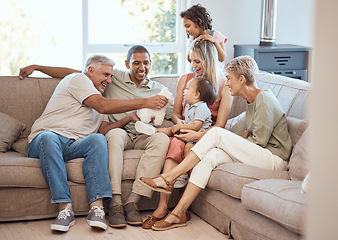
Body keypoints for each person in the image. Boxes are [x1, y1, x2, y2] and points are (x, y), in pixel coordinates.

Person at [19, 45, 172, 229]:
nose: (109, 80)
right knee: (48, 138)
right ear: (90, 71)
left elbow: (102, 131)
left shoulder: (100, 96)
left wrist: (129, 118)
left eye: (111, 76)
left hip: (72, 145)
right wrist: (37, 67)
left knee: (98, 140)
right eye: (106, 75)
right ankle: (65, 208)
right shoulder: (79, 80)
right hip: (45, 141)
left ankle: (97, 207)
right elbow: (101, 104)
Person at [139, 55, 293, 231]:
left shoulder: (265, 99)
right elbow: (234, 134)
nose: (226, 83)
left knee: (216, 133)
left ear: (241, 79)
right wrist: (239, 138)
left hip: (274, 159)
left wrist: (239, 138)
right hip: (258, 154)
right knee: (211, 157)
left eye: (229, 78)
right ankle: (178, 213)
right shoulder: (251, 103)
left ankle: (169, 177)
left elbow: (259, 141)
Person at [138, 40, 233, 229]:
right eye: (192, 61)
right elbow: (175, 114)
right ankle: (163, 207)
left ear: (209, 60)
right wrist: (179, 123)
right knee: (174, 143)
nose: (194, 66)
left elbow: (220, 125)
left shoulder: (225, 85)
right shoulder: (185, 79)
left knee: (183, 145)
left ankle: (176, 207)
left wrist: (196, 133)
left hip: (206, 135)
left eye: (198, 62)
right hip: (185, 130)